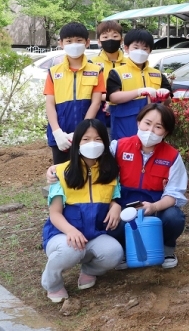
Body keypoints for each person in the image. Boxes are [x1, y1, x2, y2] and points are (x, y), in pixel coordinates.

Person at [47, 104, 188, 269]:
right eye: (147, 123)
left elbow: (174, 193)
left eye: (158, 127)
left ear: (166, 132)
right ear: (138, 122)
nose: (150, 131)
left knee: (174, 217)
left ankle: (166, 249)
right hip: (121, 206)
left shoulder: (172, 156)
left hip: (154, 206)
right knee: (111, 221)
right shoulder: (118, 146)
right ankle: (123, 249)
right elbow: (92, 160)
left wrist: (154, 206)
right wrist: (58, 168)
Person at [41, 119, 123, 303]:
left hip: (94, 234)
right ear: (77, 143)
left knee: (114, 253)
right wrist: (70, 231)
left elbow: (114, 198)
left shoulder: (110, 173)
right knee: (71, 251)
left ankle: (89, 270)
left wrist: (116, 205)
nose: (92, 144)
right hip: (62, 234)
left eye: (98, 139)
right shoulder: (60, 173)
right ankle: (52, 283)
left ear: (105, 143)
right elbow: (55, 213)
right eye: (86, 139)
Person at [44, 22, 105, 164]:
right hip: (61, 134)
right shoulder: (53, 72)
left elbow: (96, 103)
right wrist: (57, 132)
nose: (74, 44)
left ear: (87, 42)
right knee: (62, 174)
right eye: (69, 41)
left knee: (90, 172)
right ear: (61, 43)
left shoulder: (96, 70)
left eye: (79, 40)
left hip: (90, 134)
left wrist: (81, 132)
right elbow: (49, 104)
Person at [106, 29, 172, 140]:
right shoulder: (116, 72)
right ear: (126, 48)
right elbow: (113, 97)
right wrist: (138, 92)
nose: (140, 51)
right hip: (124, 128)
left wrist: (165, 96)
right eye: (136, 48)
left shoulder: (157, 74)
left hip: (152, 130)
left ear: (150, 50)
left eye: (145, 48)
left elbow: (168, 101)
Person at [94, 20, 127, 130]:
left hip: (126, 112)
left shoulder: (130, 63)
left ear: (121, 40)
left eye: (114, 36)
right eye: (105, 37)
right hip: (99, 113)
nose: (110, 40)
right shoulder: (92, 64)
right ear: (99, 41)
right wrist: (108, 98)